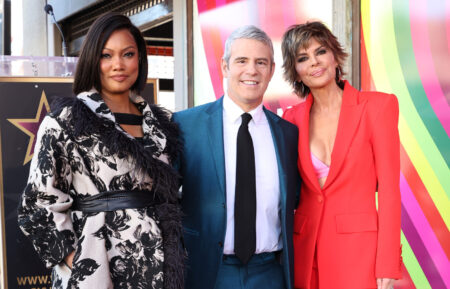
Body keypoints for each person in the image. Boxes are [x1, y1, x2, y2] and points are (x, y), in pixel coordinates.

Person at [17, 12, 184, 289]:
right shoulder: (66, 120)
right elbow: (38, 204)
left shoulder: (161, 125)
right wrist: (79, 261)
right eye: (106, 55)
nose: (118, 65)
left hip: (158, 269)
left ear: (140, 59)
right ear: (93, 59)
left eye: (127, 54)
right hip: (97, 271)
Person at [173, 25, 300, 289]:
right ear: (225, 66)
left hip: (269, 273)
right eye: (242, 61)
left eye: (261, 62)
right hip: (208, 272)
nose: (251, 70)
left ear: (271, 71)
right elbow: (163, 200)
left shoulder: (288, 134)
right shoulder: (186, 125)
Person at [281, 22, 402, 289]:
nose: (314, 62)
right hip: (305, 250)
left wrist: (388, 262)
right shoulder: (291, 119)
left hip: (359, 253)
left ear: (335, 56)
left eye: (320, 51)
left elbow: (391, 191)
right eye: (303, 58)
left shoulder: (378, 107)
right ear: (297, 73)